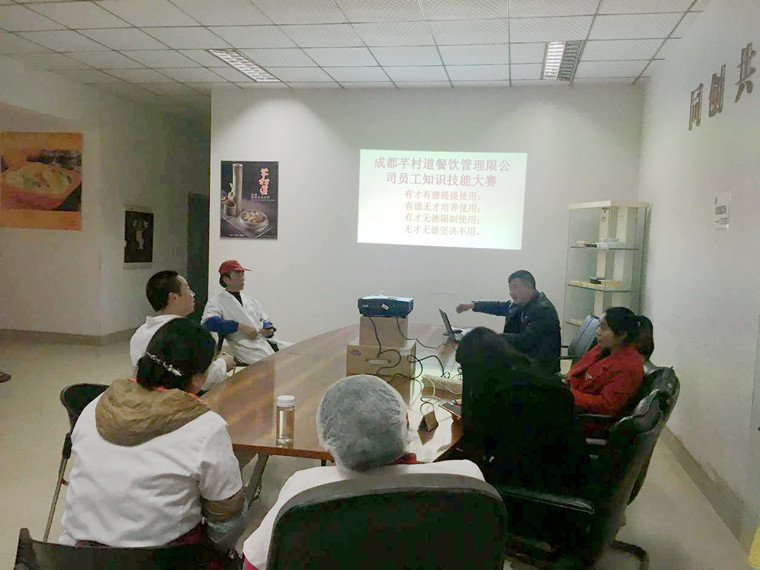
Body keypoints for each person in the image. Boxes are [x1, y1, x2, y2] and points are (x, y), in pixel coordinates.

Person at [241, 374, 484, 570]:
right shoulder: (465, 478)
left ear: (328, 440)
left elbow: (253, 565)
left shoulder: (305, 490)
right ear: (405, 423)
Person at [59, 319, 247, 554]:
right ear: (199, 378)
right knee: (233, 511)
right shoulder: (206, 426)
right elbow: (225, 520)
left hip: (75, 557)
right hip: (159, 560)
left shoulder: (96, 405)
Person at [455, 327, 588, 494]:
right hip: (572, 473)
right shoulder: (530, 376)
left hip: (543, 487)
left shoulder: (508, 397)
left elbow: (480, 443)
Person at [130, 270, 235, 392]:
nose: (193, 294)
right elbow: (198, 381)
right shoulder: (184, 334)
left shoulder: (140, 333)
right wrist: (224, 364)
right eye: (188, 289)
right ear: (173, 297)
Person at [456, 270, 561, 373]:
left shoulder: (543, 310)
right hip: (524, 358)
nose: (511, 292)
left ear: (529, 287)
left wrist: (494, 338)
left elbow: (526, 341)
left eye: (515, 287)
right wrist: (472, 305)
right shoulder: (523, 303)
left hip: (539, 367)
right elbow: (499, 306)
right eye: (510, 289)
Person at [566, 307, 654, 416]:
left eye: (603, 328)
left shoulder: (628, 366)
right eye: (599, 326)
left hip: (582, 416)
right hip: (571, 398)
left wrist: (568, 394)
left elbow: (605, 405)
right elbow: (578, 373)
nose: (597, 332)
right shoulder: (604, 348)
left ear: (622, 334)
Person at [202, 260, 280, 365]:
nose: (243, 278)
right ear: (226, 279)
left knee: (294, 353)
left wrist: (268, 330)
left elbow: (266, 321)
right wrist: (240, 326)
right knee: (271, 364)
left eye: (243, 274)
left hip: (264, 342)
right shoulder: (216, 302)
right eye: (238, 275)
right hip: (245, 348)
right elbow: (209, 323)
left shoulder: (251, 301)